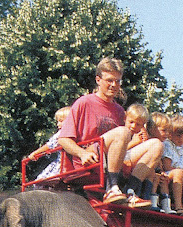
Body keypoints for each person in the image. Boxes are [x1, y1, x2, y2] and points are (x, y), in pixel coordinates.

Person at [58, 57, 163, 207]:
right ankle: (111, 188)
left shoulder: (120, 111)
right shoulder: (84, 103)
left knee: (156, 145)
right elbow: (63, 139)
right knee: (122, 132)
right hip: (92, 157)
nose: (114, 85)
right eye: (109, 80)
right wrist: (82, 154)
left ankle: (129, 191)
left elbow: (126, 143)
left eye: (118, 81)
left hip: (115, 159)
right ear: (98, 80)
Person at [28, 107, 71, 181]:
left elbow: (50, 145)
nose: (58, 124)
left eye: (61, 121)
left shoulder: (62, 133)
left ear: (69, 121)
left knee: (39, 180)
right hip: (72, 165)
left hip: (61, 166)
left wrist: (35, 153)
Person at [146, 112, 173, 212]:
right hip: (148, 170)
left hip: (156, 170)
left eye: (168, 131)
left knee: (163, 179)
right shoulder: (148, 141)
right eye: (164, 130)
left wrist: (161, 171)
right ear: (153, 129)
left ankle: (166, 206)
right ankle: (152, 202)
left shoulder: (163, 144)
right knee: (155, 177)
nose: (167, 134)